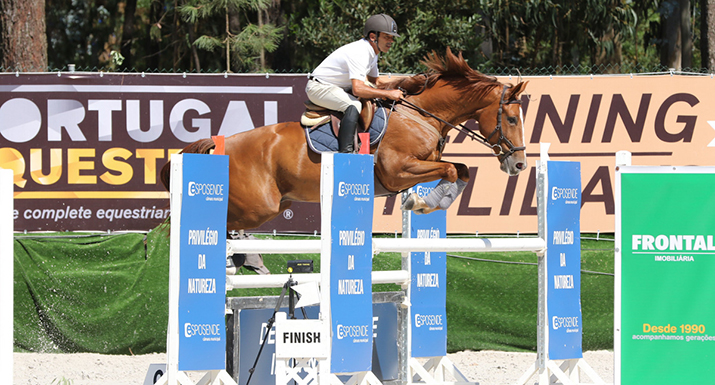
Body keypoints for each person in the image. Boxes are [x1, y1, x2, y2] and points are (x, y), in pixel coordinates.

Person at [306, 14, 404, 153]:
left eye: (392, 37)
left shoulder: (372, 52)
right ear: (373, 37)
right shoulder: (360, 52)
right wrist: (389, 94)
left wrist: (406, 81)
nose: (391, 41)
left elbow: (375, 81)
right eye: (386, 37)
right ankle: (346, 153)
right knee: (354, 105)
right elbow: (358, 89)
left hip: (334, 87)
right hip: (319, 88)